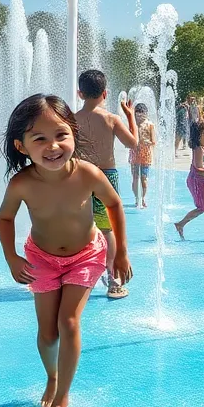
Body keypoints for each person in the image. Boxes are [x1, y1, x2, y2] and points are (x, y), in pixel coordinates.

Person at [0, 93, 130, 407]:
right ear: (22, 146)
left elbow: (114, 205)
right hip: (41, 257)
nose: (52, 146)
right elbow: (5, 218)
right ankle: (54, 376)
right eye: (39, 138)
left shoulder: (87, 174)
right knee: (47, 332)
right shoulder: (22, 183)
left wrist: (122, 251)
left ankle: (61, 401)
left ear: (73, 133)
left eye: (60, 135)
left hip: (86, 255)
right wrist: (12, 256)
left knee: (68, 321)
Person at [75, 70, 137, 299]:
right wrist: (130, 117)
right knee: (107, 228)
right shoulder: (112, 119)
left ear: (79, 93)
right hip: (106, 177)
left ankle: (78, 275)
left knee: (82, 226)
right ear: (105, 93)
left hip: (80, 176)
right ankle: (113, 280)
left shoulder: (72, 119)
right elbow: (133, 143)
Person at [129, 103, 155, 208]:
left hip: (145, 154)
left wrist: (144, 142)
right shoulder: (132, 124)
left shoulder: (150, 125)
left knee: (144, 178)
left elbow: (153, 141)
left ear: (146, 114)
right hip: (134, 153)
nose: (139, 117)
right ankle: (137, 198)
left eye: (141, 114)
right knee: (135, 177)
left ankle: (143, 198)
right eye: (137, 114)